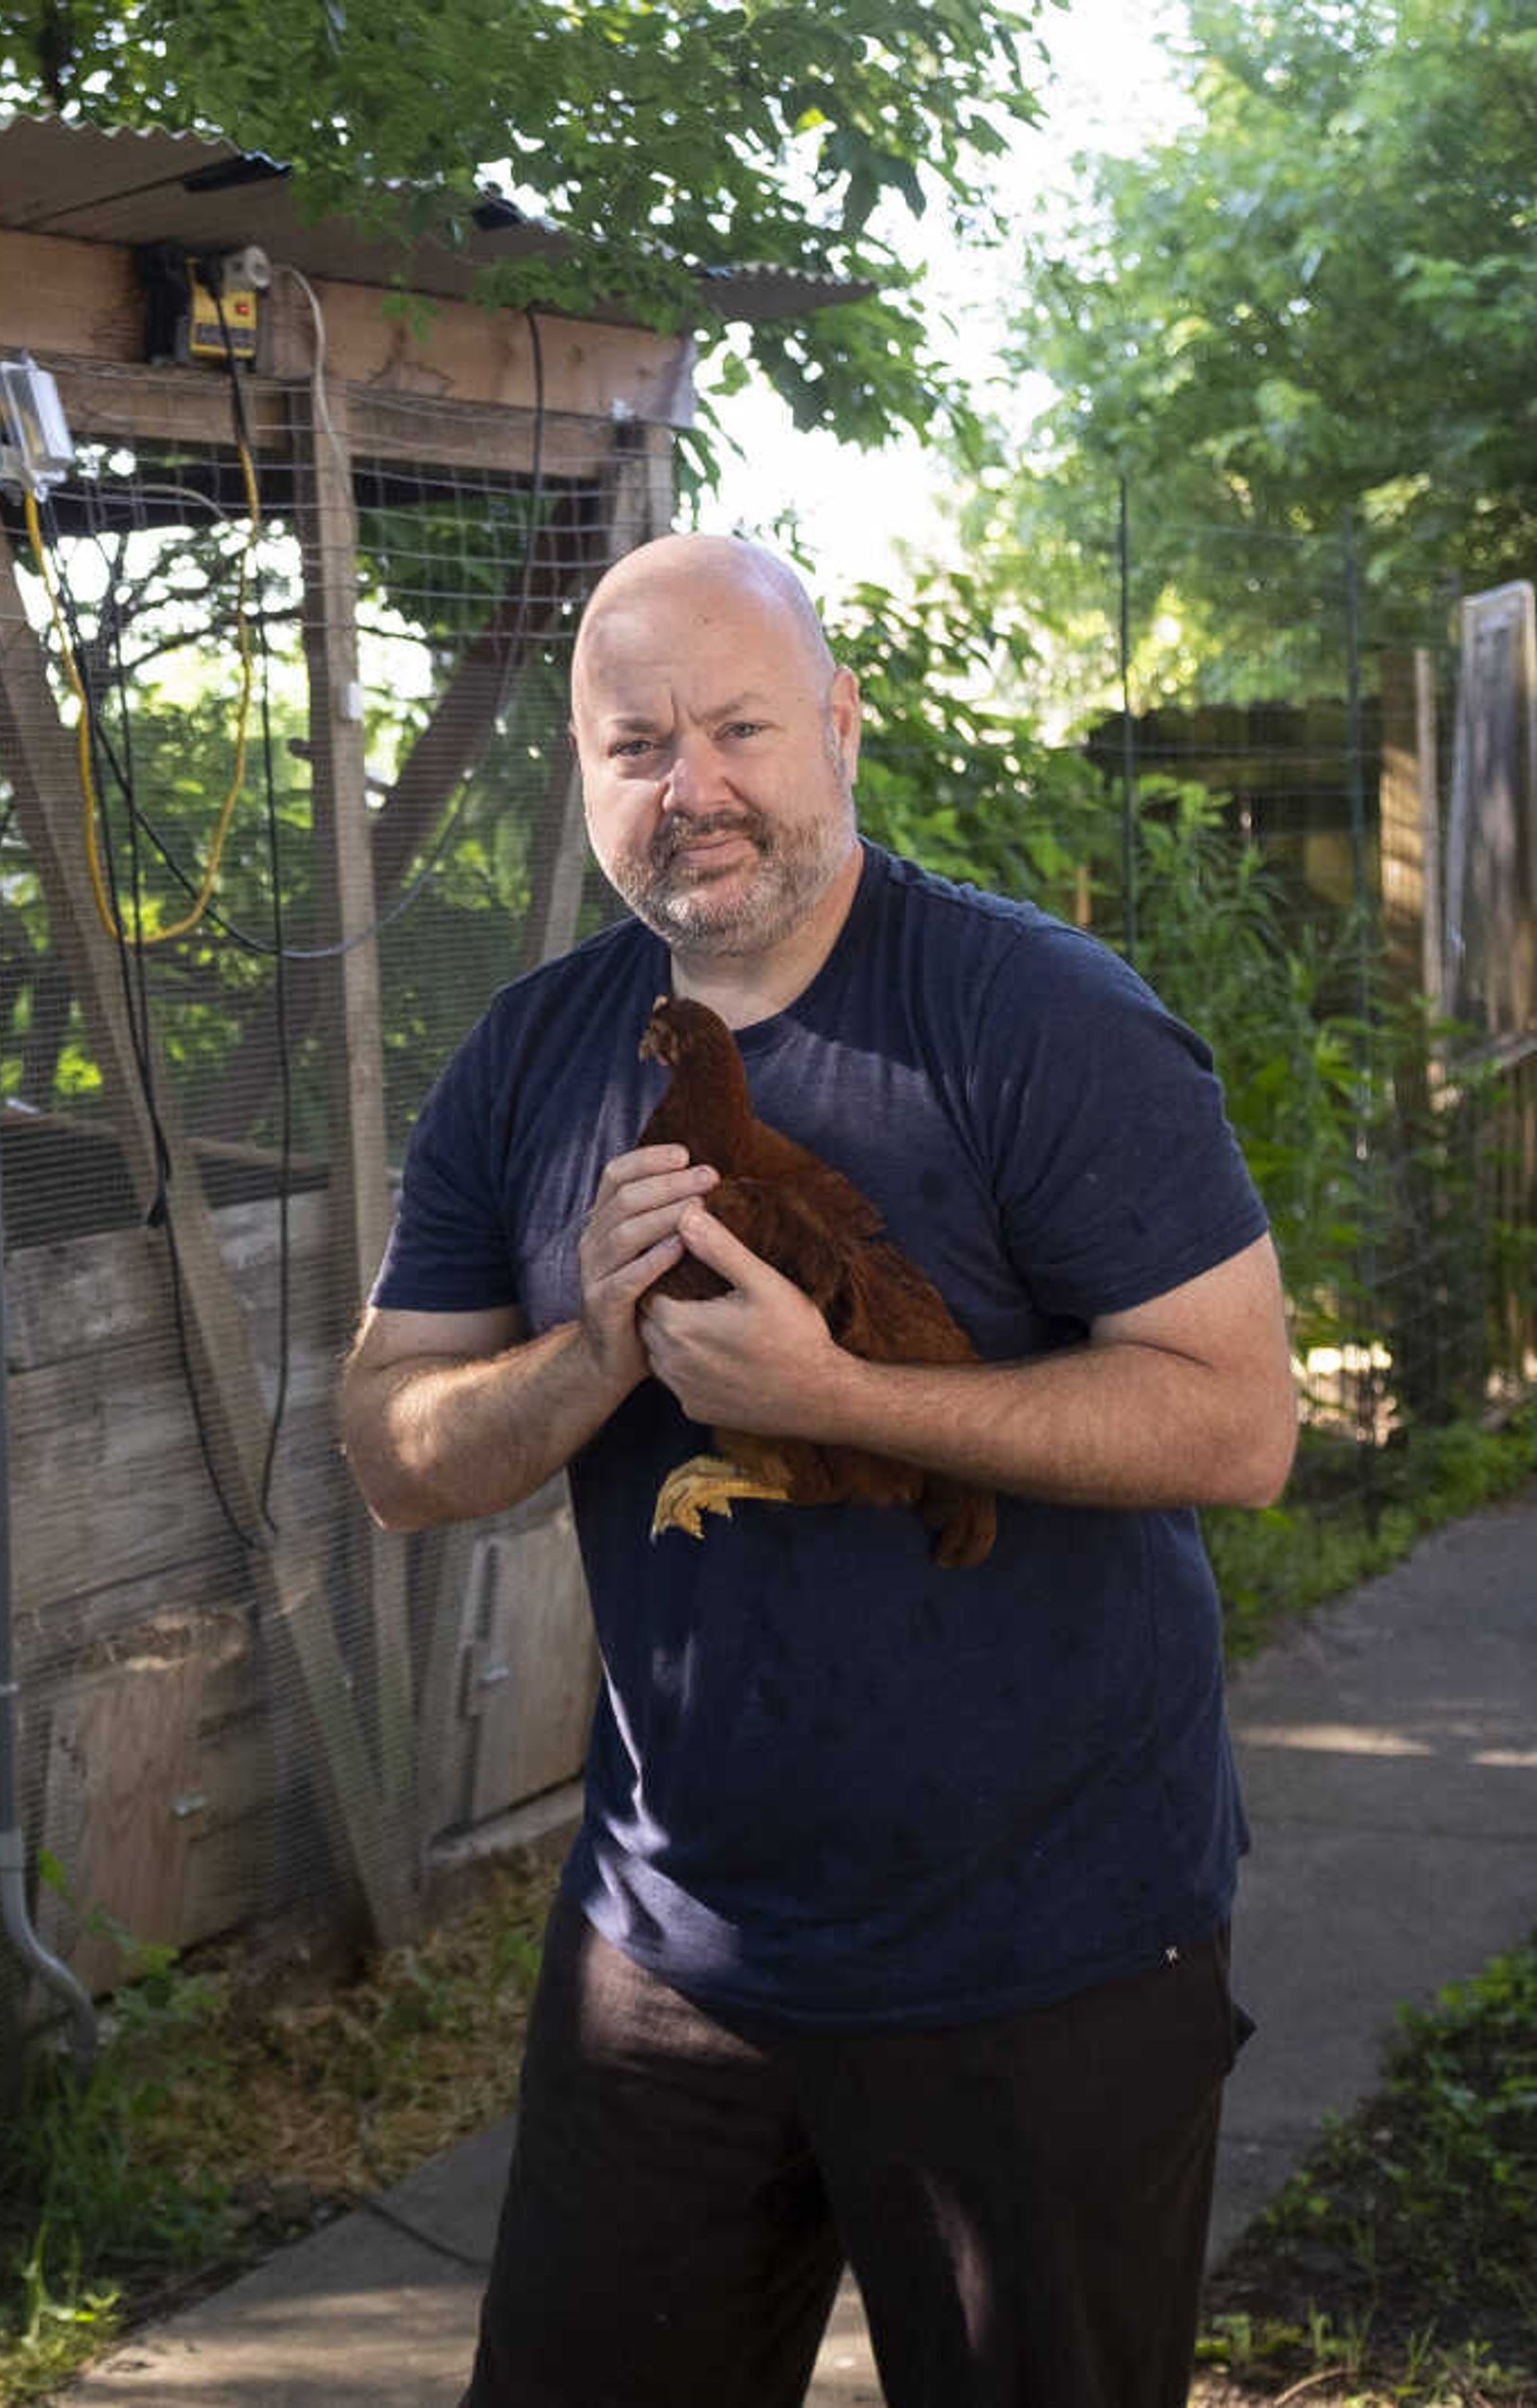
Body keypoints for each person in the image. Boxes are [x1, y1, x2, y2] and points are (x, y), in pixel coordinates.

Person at [336, 533, 1299, 2407]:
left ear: (841, 728)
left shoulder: (1037, 1019)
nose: (691, 788)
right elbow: (391, 1450)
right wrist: (592, 1356)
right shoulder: (531, 1063)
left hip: (1047, 1951)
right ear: (586, 780)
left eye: (738, 729)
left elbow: (1238, 1420)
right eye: (636, 746)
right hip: (671, 1952)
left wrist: (837, 1393)